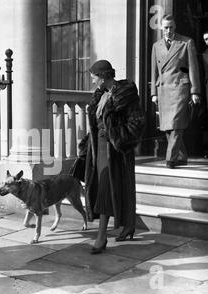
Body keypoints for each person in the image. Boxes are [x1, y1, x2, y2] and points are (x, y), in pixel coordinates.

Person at [80, 60, 145, 254]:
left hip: (116, 150)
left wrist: (116, 136)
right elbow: (96, 123)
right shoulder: (99, 95)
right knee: (103, 187)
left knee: (107, 191)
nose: (91, 79)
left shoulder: (126, 94)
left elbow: (137, 124)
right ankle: (129, 225)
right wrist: (86, 144)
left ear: (103, 76)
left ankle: (101, 237)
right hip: (99, 149)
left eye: (93, 75)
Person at [151, 14, 201, 169]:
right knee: (167, 127)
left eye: (171, 27)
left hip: (180, 88)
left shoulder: (186, 42)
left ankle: (170, 159)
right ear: (161, 28)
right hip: (164, 89)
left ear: (175, 26)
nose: (168, 30)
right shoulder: (156, 46)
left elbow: (193, 68)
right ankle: (182, 157)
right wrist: (153, 92)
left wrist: (195, 91)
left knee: (176, 125)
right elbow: (154, 71)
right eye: (165, 27)